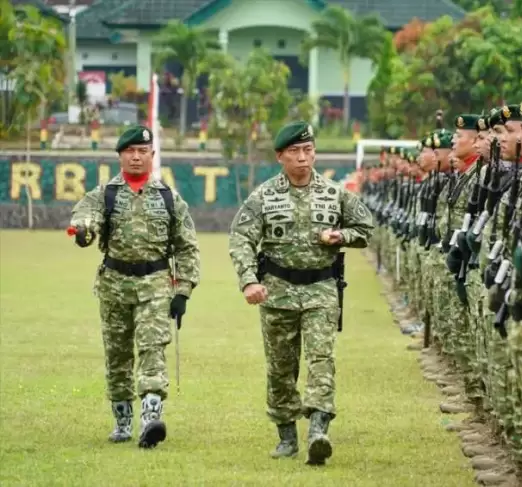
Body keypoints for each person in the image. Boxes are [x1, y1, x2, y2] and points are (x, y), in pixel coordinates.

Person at [228, 121, 374, 466]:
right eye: (294, 151)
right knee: (281, 367)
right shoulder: (263, 196)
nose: (303, 158)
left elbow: (365, 227)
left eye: (308, 150)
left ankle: (319, 429)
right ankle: (286, 435)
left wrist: (342, 237)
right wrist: (249, 281)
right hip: (277, 292)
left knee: (321, 358)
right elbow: (241, 239)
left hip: (322, 289)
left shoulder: (335, 193)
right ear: (280, 156)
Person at [68, 125, 201, 448]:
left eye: (143, 151)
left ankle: (151, 416)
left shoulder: (169, 198)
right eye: (131, 151)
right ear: (120, 156)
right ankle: (122, 418)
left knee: (152, 347)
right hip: (114, 285)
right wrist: (84, 230)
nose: (137, 157)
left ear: (153, 156)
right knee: (117, 355)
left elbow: (187, 246)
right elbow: (85, 217)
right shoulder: (105, 194)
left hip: (155, 284)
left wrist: (183, 289)